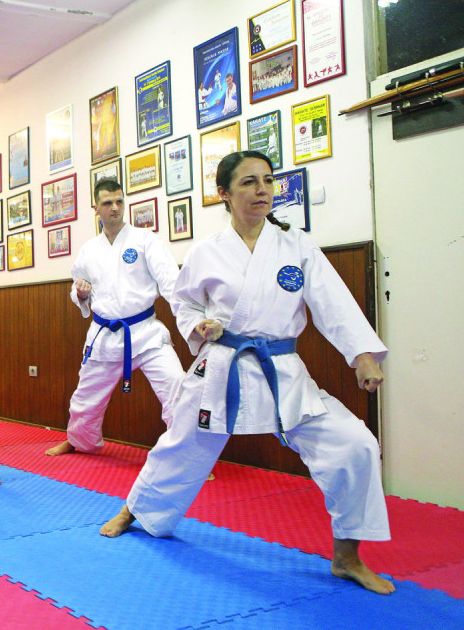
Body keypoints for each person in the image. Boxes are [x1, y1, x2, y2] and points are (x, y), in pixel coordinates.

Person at [100, 151, 394, 596]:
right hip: (221, 367)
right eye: (249, 183)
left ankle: (348, 556)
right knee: (180, 445)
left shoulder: (296, 247)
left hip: (282, 369)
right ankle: (135, 510)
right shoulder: (207, 251)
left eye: (268, 181)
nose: (262, 190)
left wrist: (362, 355)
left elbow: (332, 302)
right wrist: (198, 327)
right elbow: (184, 302)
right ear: (224, 193)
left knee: (355, 444)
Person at [45, 180, 185, 457]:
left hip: (145, 333)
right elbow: (78, 286)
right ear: (95, 207)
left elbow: (171, 282)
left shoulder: (145, 240)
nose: (115, 208)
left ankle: (186, 455)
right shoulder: (88, 250)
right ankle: (80, 442)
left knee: (177, 387)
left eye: (120, 201)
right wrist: (81, 293)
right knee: (85, 400)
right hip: (104, 335)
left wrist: (191, 319)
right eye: (108, 203)